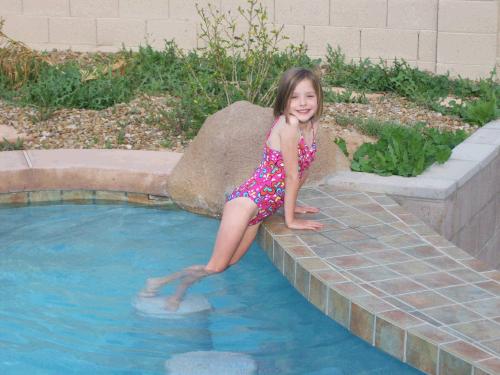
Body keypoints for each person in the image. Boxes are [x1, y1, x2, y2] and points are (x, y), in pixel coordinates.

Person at [140, 67, 325, 310]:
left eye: (309, 96)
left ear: (319, 97)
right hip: (245, 203)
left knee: (225, 266)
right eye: (294, 97)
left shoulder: (311, 127)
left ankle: (164, 282)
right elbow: (290, 175)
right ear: (284, 99)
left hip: (260, 211)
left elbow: (302, 171)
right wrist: (290, 220)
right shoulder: (289, 127)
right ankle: (170, 287)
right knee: (215, 266)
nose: (303, 103)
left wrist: (293, 204)